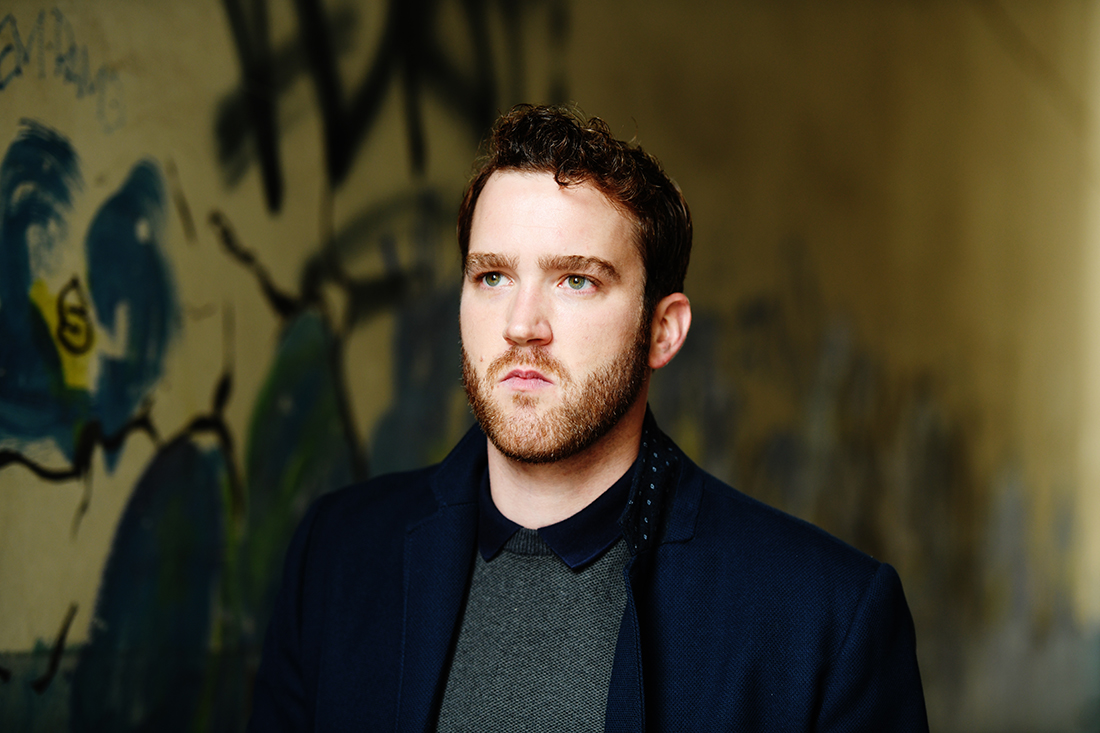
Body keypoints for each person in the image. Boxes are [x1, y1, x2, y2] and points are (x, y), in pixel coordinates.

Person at [248, 104, 929, 731]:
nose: (522, 325)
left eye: (576, 280)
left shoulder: (823, 618)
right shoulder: (336, 556)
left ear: (663, 330)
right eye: (492, 277)